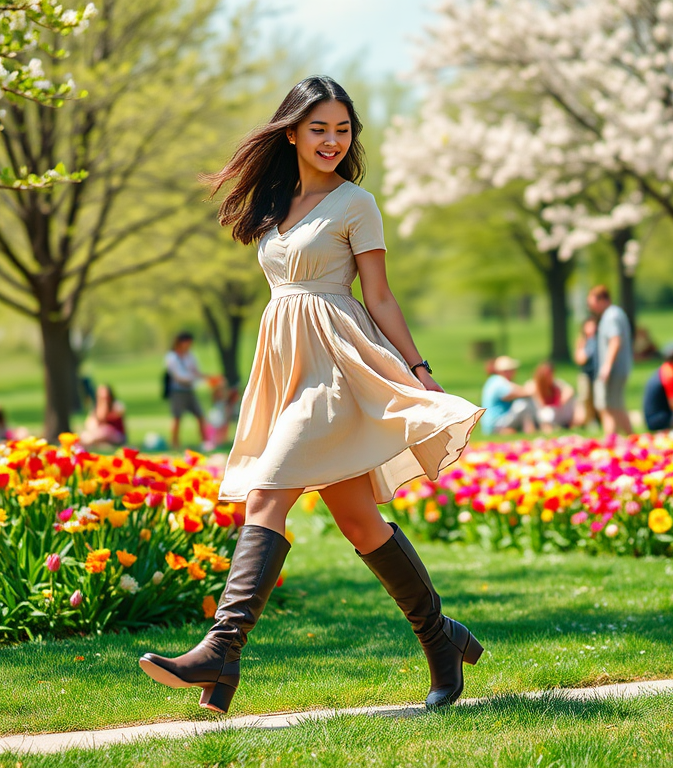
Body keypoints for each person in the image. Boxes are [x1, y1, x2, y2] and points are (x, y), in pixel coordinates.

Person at [138, 77, 485, 715]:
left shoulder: (358, 203)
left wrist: (418, 368)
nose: (332, 140)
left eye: (343, 129)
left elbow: (378, 295)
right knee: (357, 519)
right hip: (285, 364)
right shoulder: (276, 202)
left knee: (269, 492)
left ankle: (222, 649)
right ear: (292, 131)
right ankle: (442, 640)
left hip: (334, 362)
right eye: (319, 128)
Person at [588, 285, 633, 435]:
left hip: (613, 369)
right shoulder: (616, 313)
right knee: (613, 405)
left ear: (602, 299)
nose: (591, 307)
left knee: (608, 406)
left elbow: (615, 340)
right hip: (618, 368)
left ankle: (617, 439)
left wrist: (607, 365)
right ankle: (622, 438)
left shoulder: (611, 316)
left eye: (592, 302)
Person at [164, 331, 210, 450]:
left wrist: (206, 378)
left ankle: (204, 441)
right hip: (178, 391)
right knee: (177, 417)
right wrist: (194, 377)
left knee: (200, 415)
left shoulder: (190, 356)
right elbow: (179, 376)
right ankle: (174, 442)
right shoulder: (172, 357)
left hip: (189, 390)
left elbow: (196, 370)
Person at [480, 355, 539, 435]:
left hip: (490, 424)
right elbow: (518, 393)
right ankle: (531, 429)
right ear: (506, 371)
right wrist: (532, 389)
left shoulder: (494, 380)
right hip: (496, 423)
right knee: (524, 404)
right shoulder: (499, 382)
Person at [527, 360, 576, 431]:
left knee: (574, 402)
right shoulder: (534, 385)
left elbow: (570, 390)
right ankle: (547, 428)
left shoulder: (555, 384)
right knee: (547, 413)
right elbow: (540, 405)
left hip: (555, 411)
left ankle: (572, 424)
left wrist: (563, 399)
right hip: (541, 414)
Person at [79, 384, 128, 448]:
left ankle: (87, 443)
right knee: (86, 434)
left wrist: (104, 404)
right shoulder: (96, 407)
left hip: (117, 435)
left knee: (106, 431)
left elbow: (103, 418)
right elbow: (89, 424)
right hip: (100, 433)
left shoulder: (117, 406)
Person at [572, 316, 599, 428]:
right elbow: (579, 359)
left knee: (598, 398)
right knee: (586, 398)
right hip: (586, 374)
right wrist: (586, 352)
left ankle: (598, 419)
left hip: (597, 374)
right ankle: (589, 421)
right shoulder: (582, 341)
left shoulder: (599, 339)